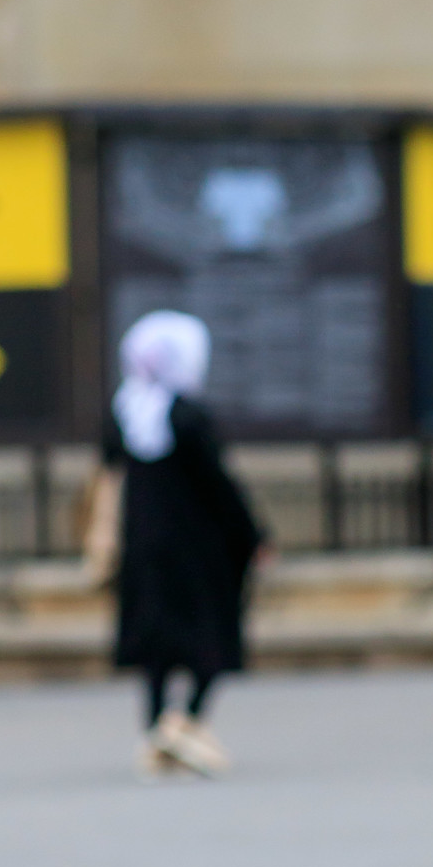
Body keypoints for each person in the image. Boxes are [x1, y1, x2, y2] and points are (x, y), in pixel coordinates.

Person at [104, 311, 263, 777]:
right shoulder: (187, 415)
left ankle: (157, 728)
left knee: (156, 645)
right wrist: (252, 535)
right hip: (196, 551)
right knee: (209, 638)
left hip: (143, 549)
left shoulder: (123, 413)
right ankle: (185, 721)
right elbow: (218, 483)